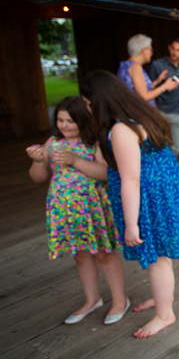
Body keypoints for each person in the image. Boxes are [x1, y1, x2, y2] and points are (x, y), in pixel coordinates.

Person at [80, 70, 179, 338]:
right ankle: (161, 296)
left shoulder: (121, 130)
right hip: (163, 191)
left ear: (100, 102)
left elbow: (130, 179)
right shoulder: (139, 115)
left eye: (88, 104)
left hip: (148, 200)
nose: (87, 109)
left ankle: (165, 314)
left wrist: (132, 225)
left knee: (156, 258)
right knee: (161, 256)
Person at [25, 96, 130, 326]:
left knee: (104, 253)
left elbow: (106, 173)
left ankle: (120, 299)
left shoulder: (94, 142)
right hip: (64, 211)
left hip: (92, 209)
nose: (64, 125)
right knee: (80, 255)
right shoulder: (52, 142)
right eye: (60, 120)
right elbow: (39, 177)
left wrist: (74, 160)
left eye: (70, 121)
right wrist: (38, 161)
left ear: (83, 120)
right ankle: (92, 299)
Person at [149, 38, 179, 155]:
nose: (174, 52)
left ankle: (165, 164)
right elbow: (147, 89)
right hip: (162, 112)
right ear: (169, 47)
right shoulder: (157, 65)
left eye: (178, 50)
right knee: (158, 145)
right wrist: (159, 81)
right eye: (173, 48)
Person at [118, 33, 179, 107]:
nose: (151, 53)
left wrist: (157, 81)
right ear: (143, 50)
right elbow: (144, 96)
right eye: (151, 50)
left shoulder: (125, 65)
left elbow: (138, 90)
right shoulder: (135, 67)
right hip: (139, 114)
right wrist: (165, 86)